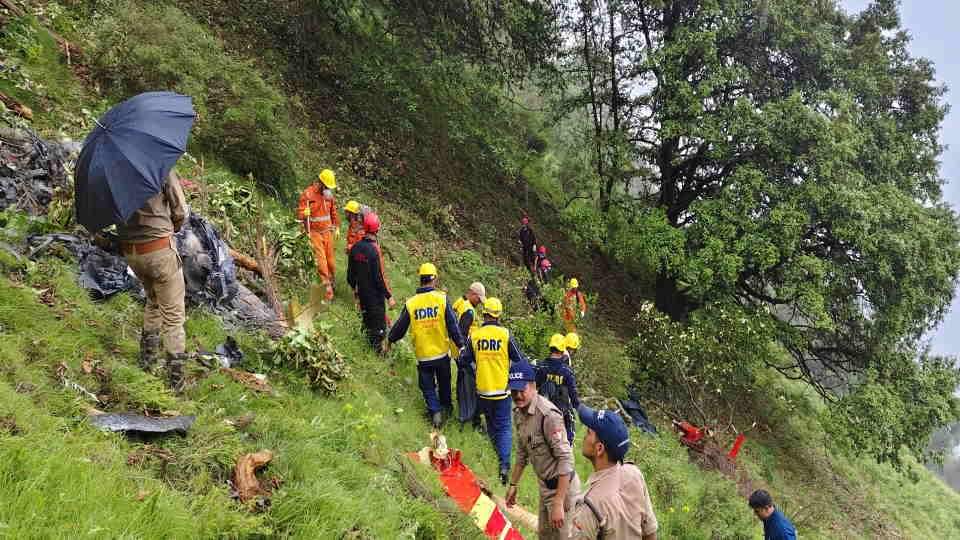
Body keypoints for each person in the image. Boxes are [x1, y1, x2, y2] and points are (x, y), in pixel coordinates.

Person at [118, 169, 188, 390]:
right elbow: (180, 211)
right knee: (174, 316)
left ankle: (147, 361)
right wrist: (172, 227)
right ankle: (176, 383)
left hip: (132, 253)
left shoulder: (111, 175)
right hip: (159, 250)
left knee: (153, 300)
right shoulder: (158, 166)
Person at [505, 361, 580, 539]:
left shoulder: (548, 415)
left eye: (521, 390)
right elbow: (522, 452)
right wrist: (513, 485)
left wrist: (559, 502)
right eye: (514, 391)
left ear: (533, 386)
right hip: (545, 488)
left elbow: (566, 459)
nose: (517, 396)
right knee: (544, 536)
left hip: (563, 490)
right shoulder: (519, 413)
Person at [458, 297, 529, 485]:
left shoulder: (475, 336)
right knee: (505, 426)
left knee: (490, 422)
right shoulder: (505, 335)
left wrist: (473, 367)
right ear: (498, 316)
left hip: (483, 390)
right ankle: (504, 465)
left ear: (484, 314)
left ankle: (496, 453)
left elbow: (464, 359)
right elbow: (519, 358)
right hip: (502, 390)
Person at [385, 263, 465, 428]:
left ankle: (435, 411)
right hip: (442, 353)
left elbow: (400, 327)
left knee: (427, 386)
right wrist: (461, 345)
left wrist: (390, 340)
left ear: (420, 279)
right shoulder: (442, 299)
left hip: (424, 355)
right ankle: (447, 408)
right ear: (434, 279)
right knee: (444, 383)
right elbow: (452, 326)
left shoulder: (412, 303)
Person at [569, 405, 659, 540]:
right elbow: (650, 532)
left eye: (588, 432)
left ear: (599, 449)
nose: (584, 437)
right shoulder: (634, 474)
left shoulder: (590, 506)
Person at [347, 212, 395, 349]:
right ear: (377, 229)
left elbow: (350, 273)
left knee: (367, 321)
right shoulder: (375, 251)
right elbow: (379, 277)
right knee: (378, 327)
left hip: (361, 293)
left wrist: (354, 289)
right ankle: (378, 352)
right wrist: (389, 296)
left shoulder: (355, 248)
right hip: (375, 296)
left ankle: (368, 346)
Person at [297, 168, 340, 301]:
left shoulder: (329, 196)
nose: (328, 189)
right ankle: (328, 296)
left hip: (327, 232)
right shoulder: (308, 194)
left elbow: (333, 212)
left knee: (331, 263)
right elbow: (299, 214)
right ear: (320, 183)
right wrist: (304, 214)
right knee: (321, 265)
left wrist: (336, 226)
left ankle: (332, 285)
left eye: (329, 187)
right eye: (326, 186)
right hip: (314, 233)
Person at [537, 334, 580, 445]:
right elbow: (572, 391)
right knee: (569, 424)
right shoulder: (566, 370)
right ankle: (568, 447)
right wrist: (577, 405)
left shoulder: (542, 367)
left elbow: (536, 386)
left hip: (544, 408)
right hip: (562, 408)